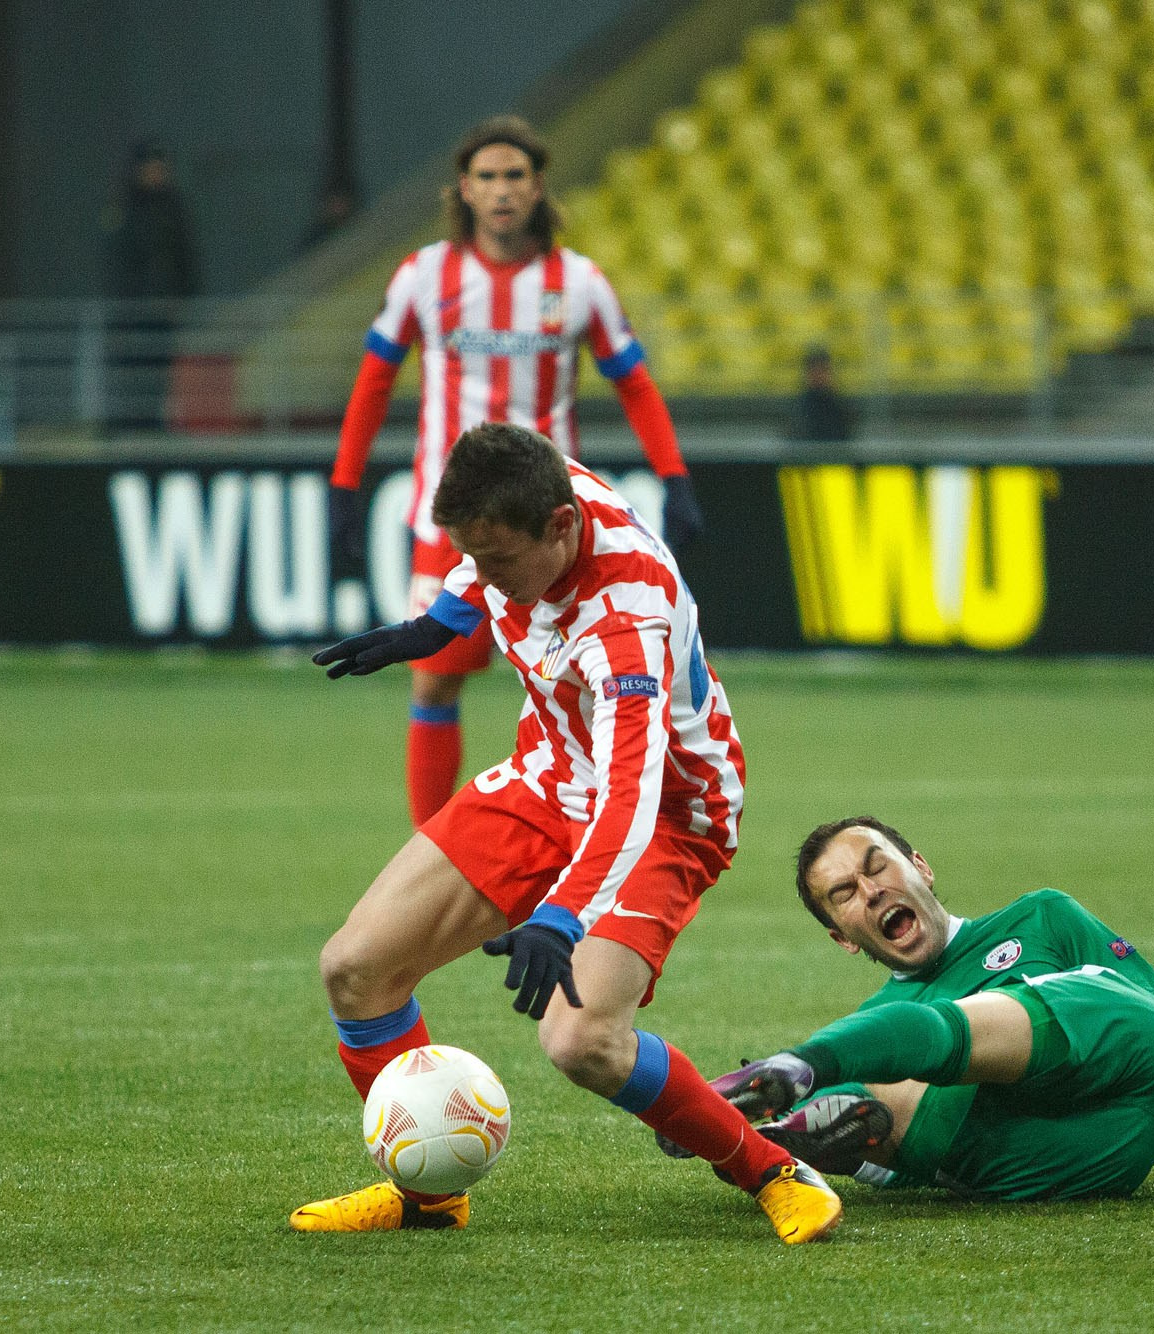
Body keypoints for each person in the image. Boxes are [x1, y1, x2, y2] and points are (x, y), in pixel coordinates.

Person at [293, 422, 840, 1243]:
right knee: (355, 970)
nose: (486, 577)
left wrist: (561, 913)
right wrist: (443, 617)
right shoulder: (535, 489)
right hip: (552, 772)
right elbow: (482, 553)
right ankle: (430, 1200)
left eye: (498, 563)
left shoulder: (626, 617)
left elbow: (631, 793)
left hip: (668, 814)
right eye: (469, 557)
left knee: (583, 1039)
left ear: (561, 527)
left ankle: (772, 1169)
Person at [328, 114, 707, 828]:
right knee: (435, 681)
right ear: (463, 191)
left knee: (574, 688)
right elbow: (373, 380)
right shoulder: (425, 275)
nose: (502, 190)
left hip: (549, 524)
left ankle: (589, 836)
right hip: (454, 522)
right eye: (487, 176)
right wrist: (343, 485)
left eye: (515, 176)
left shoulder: (579, 282)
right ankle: (432, 850)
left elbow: (635, 381)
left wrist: (675, 475)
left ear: (538, 189)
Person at [696, 817, 1154, 1202]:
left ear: (921, 867)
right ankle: (748, 1130)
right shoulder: (880, 1024)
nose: (871, 891)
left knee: (927, 1045)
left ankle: (790, 1078)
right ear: (844, 939)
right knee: (881, 1102)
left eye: (878, 866)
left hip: (1129, 1089)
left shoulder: (1042, 919)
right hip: (1053, 1166)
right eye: (844, 894)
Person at [101, 139, 200, 432]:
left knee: (159, 373)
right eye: (151, 168)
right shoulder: (124, 209)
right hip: (132, 315)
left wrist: (183, 297)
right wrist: (126, 308)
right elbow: (117, 265)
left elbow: (186, 256)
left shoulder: (173, 208)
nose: (157, 174)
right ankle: (124, 424)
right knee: (131, 371)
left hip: (164, 313)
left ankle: (153, 424)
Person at [785, 345, 856, 446]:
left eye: (823, 370)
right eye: (814, 371)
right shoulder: (799, 408)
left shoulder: (839, 406)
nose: (819, 376)